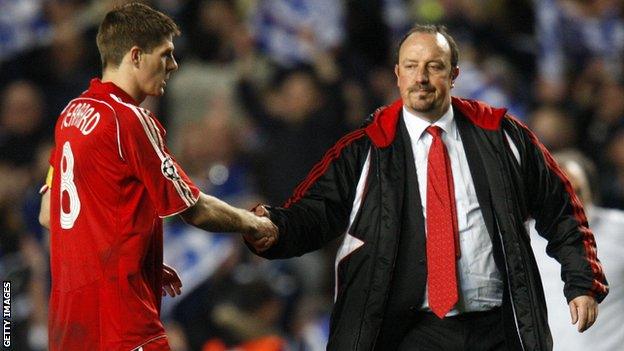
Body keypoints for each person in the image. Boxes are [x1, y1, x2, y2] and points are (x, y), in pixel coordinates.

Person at [245, 24, 609, 350]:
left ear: (453, 76)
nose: (421, 77)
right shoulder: (366, 148)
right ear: (397, 75)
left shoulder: (503, 136)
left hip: (498, 325)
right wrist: (275, 228)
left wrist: (581, 282)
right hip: (407, 331)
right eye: (411, 66)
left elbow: (561, 207)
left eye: (434, 66)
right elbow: (315, 212)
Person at [38, 3, 276, 350]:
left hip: (69, 326)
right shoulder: (131, 120)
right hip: (124, 326)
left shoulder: (70, 114)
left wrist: (137, 259)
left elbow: (50, 214)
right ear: (136, 56)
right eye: (165, 54)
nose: (173, 65)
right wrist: (254, 224)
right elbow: (195, 209)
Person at [530, 150, 624, 351]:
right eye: (562, 194)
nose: (571, 203)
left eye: (576, 191)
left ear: (591, 190)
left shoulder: (620, 229)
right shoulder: (524, 239)